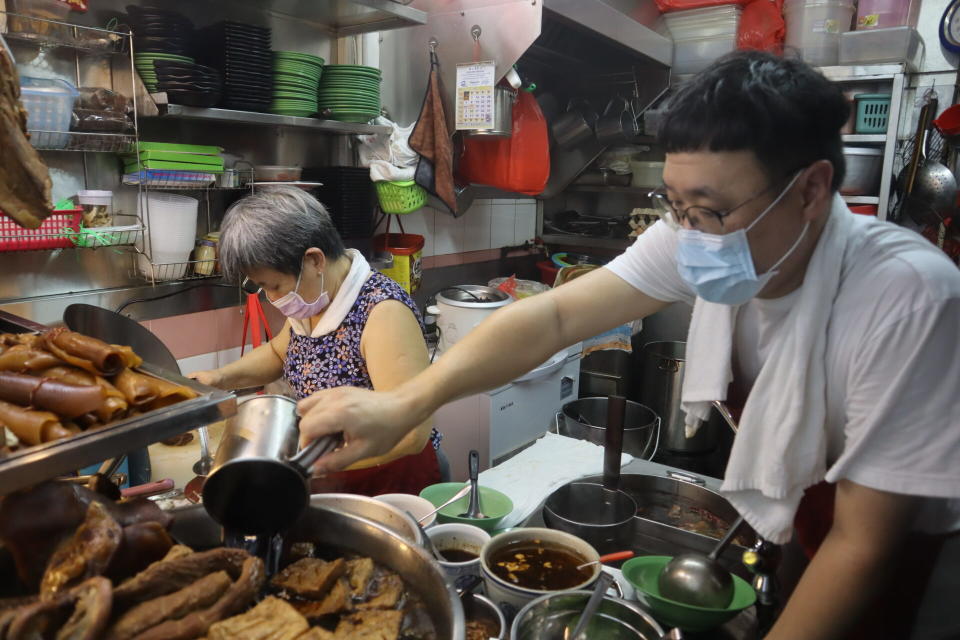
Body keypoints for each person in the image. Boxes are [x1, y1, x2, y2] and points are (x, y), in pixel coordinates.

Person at [297, 52, 960, 639]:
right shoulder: (703, 235)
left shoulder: (908, 298)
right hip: (801, 533)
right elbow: (553, 320)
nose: (691, 235)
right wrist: (405, 403)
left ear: (812, 189)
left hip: (896, 558)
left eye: (712, 210)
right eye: (676, 206)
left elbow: (863, 546)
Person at [189, 185, 441, 496]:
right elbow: (279, 353)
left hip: (388, 481)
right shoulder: (316, 299)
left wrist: (308, 466)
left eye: (275, 285)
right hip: (331, 475)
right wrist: (218, 378)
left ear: (314, 260)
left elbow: (411, 434)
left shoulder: (382, 312)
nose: (272, 298)